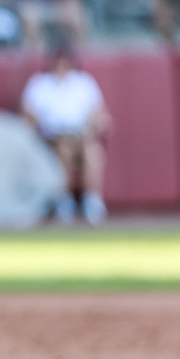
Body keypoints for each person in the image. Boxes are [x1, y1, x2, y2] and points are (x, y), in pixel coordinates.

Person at [20, 44, 110, 225]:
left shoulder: (83, 83)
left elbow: (100, 114)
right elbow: (27, 115)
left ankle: (91, 200)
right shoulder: (40, 84)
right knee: (64, 150)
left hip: (80, 136)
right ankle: (64, 199)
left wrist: (92, 126)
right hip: (52, 138)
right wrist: (46, 129)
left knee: (91, 153)